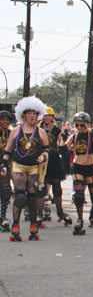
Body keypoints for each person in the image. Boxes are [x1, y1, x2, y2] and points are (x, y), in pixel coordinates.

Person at [0, 97, 50, 241]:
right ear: (24, 115)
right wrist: (3, 164)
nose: (32, 116)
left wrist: (44, 157)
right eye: (29, 114)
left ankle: (33, 223)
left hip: (34, 166)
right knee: (20, 196)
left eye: (34, 114)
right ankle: (15, 224)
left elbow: (47, 149)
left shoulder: (41, 132)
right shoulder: (16, 131)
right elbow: (8, 150)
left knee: (32, 197)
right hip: (18, 165)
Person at [65, 111, 93, 234]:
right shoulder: (74, 136)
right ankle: (79, 219)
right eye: (77, 125)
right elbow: (63, 148)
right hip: (77, 167)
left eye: (82, 125)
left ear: (87, 125)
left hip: (90, 167)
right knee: (79, 195)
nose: (79, 127)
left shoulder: (91, 136)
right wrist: (62, 138)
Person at [0, 110, 12, 231]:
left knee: (5, 190)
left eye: (7, 120)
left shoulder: (11, 133)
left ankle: (3, 217)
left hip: (6, 165)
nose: (5, 122)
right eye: (2, 119)